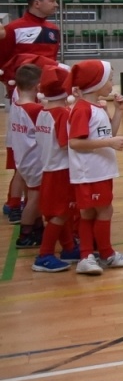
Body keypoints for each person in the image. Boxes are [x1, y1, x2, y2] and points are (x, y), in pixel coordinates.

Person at [67, 59, 123, 273]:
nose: (112, 84)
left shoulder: (96, 107)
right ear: (95, 82)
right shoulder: (82, 109)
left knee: (89, 213)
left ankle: (88, 256)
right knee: (104, 210)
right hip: (90, 172)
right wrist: (109, 143)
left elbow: (109, 134)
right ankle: (105, 254)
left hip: (99, 171)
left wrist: (119, 112)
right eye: (109, 79)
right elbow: (74, 142)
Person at [1, 0, 60, 224]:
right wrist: (14, 88)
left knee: (40, 151)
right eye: (52, 0)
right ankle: (14, 203)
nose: (56, 4)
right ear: (37, 3)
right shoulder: (13, 29)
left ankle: (30, 202)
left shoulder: (53, 30)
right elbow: (3, 62)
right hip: (22, 98)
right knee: (22, 152)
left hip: (44, 97)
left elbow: (53, 63)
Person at [29, 65, 78, 271]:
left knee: (62, 212)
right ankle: (44, 254)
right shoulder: (62, 114)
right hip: (61, 170)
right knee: (59, 214)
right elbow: (67, 144)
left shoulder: (43, 112)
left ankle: (68, 248)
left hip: (48, 168)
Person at [8, 61, 45, 248]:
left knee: (34, 196)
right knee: (35, 198)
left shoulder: (16, 104)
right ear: (38, 86)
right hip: (34, 160)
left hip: (23, 158)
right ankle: (25, 235)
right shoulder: (35, 109)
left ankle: (38, 228)